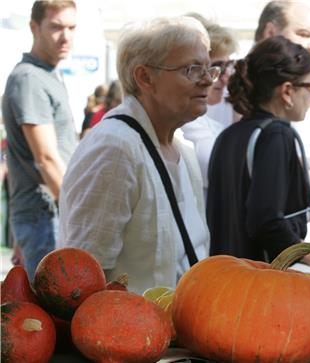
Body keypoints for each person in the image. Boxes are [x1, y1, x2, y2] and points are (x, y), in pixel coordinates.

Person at [58, 16, 213, 294]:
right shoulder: (114, 148)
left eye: (208, 68)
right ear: (145, 78)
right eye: (191, 69)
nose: (207, 80)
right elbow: (81, 280)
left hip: (177, 329)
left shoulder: (182, 148)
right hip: (128, 333)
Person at [207, 35, 310, 280]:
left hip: (225, 282)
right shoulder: (277, 134)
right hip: (261, 289)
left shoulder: (228, 135)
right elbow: (266, 221)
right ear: (287, 91)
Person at [255, 0, 310, 263]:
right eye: (304, 34)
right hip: (276, 266)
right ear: (271, 32)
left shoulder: (292, 110)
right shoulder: (272, 126)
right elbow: (266, 216)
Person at [2, 0, 78, 280]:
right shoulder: (30, 79)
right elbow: (45, 159)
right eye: (56, 27)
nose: (66, 36)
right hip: (46, 214)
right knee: (51, 315)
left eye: (72, 27)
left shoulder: (45, 75)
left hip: (45, 214)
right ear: (35, 27)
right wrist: (78, 213)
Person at [181, 14, 238, 198]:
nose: (226, 76)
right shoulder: (184, 120)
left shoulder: (205, 121)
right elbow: (226, 172)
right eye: (217, 66)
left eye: (228, 66)